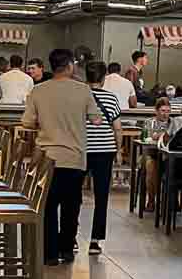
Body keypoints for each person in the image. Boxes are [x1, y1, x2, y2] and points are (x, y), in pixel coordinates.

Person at [28, 48, 101, 266]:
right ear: (70, 66)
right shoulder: (83, 90)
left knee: (48, 206)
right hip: (74, 158)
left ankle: (49, 254)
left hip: (47, 158)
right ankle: (67, 250)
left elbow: (27, 122)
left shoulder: (38, 90)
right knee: (71, 206)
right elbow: (96, 119)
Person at [83, 59, 122, 256]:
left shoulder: (80, 96)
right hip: (105, 150)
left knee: (73, 196)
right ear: (103, 78)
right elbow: (117, 128)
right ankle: (95, 241)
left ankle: (71, 237)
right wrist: (119, 150)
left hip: (81, 149)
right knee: (101, 196)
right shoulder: (111, 98)